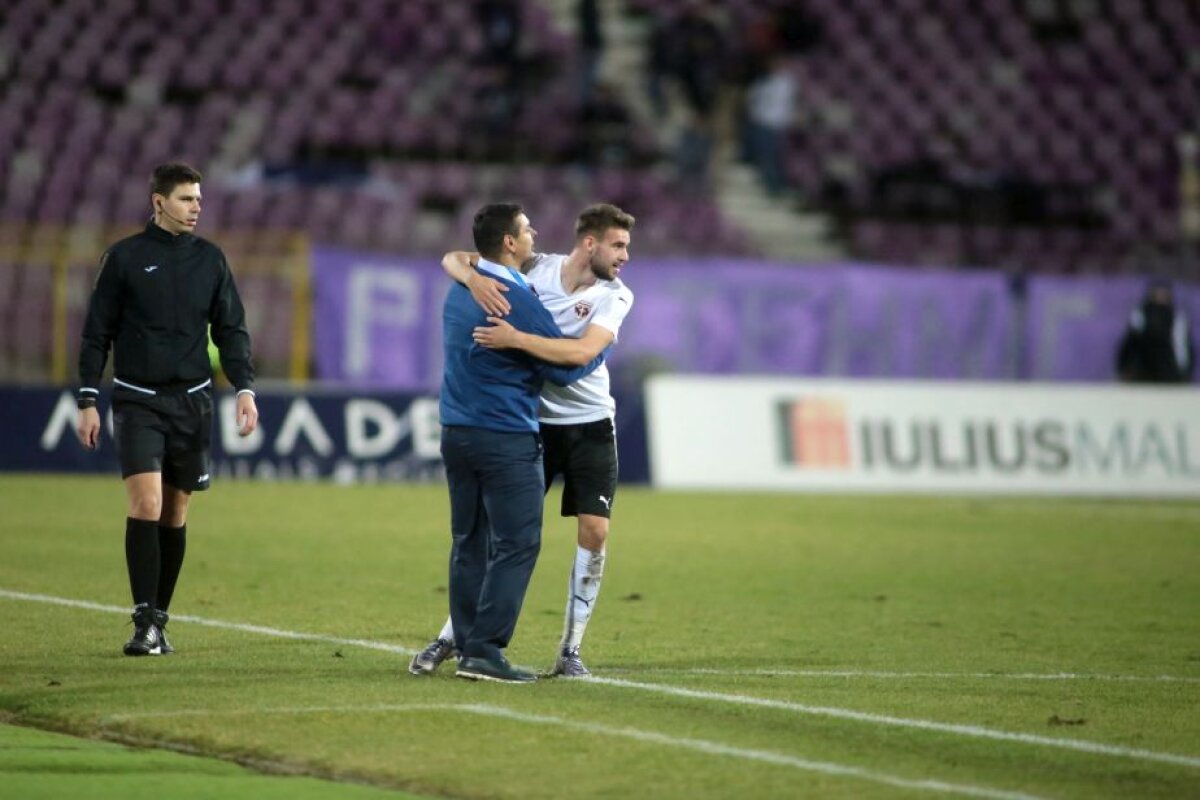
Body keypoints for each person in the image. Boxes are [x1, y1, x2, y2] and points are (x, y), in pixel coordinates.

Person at [412, 203, 635, 678]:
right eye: (618, 245)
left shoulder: (616, 296)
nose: (625, 257)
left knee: (593, 531)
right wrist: (471, 278)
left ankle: (570, 648)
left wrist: (515, 338)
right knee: (502, 536)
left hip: (590, 422)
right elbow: (461, 257)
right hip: (533, 421)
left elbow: (579, 355)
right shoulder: (537, 268)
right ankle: (454, 637)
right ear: (589, 243)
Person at [75, 162, 259, 656]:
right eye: (185, 199)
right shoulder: (124, 258)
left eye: (198, 199)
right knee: (147, 504)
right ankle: (142, 623)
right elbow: (97, 333)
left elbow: (232, 330)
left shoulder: (211, 260)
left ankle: (159, 618)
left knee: (175, 512)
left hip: (194, 402)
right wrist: (89, 398)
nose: (196, 207)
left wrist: (244, 388)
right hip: (137, 399)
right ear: (158, 202)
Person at [1115, 279, 1195, 383]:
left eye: (1163, 293)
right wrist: (1124, 367)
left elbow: (1181, 346)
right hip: (1143, 372)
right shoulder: (1141, 314)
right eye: (1157, 293)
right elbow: (1131, 342)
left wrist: (1185, 371)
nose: (1160, 297)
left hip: (1169, 372)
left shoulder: (1176, 317)